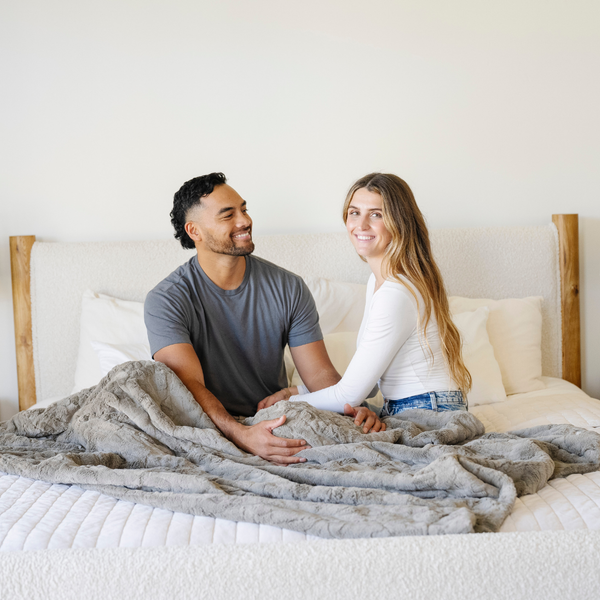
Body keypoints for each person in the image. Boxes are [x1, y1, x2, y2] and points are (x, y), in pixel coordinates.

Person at [144, 172, 385, 466]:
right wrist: (241, 434)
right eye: (227, 215)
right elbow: (188, 387)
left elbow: (320, 375)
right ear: (194, 231)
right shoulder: (166, 299)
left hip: (275, 419)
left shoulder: (289, 287)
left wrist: (352, 406)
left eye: (243, 209)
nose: (244, 220)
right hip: (209, 426)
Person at [258, 173, 471, 416]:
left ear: (399, 222)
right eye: (354, 212)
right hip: (422, 405)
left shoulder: (396, 292)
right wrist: (296, 392)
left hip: (429, 410)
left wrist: (285, 404)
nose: (361, 225)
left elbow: (349, 396)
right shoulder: (379, 281)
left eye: (376, 214)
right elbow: (365, 388)